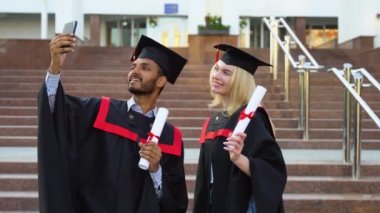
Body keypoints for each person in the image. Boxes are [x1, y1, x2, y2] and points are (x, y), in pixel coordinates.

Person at [37, 34, 188, 213]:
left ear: (161, 81)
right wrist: (55, 66)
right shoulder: (102, 110)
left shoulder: (170, 137)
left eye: (145, 68)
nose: (135, 71)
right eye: (133, 66)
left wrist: (156, 169)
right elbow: (55, 111)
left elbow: (176, 203)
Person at [193, 44, 287, 213]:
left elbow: (273, 171)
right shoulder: (214, 120)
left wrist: (239, 159)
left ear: (241, 81)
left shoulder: (252, 119)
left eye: (226, 72)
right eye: (216, 69)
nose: (216, 75)